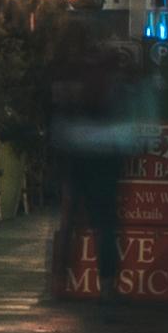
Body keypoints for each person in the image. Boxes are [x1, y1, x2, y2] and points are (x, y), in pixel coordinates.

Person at [47, 22, 154, 299]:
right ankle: (107, 284)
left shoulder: (68, 71)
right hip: (108, 151)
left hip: (74, 149)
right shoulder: (113, 72)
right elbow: (134, 107)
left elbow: (56, 110)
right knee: (105, 220)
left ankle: (59, 281)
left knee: (69, 219)